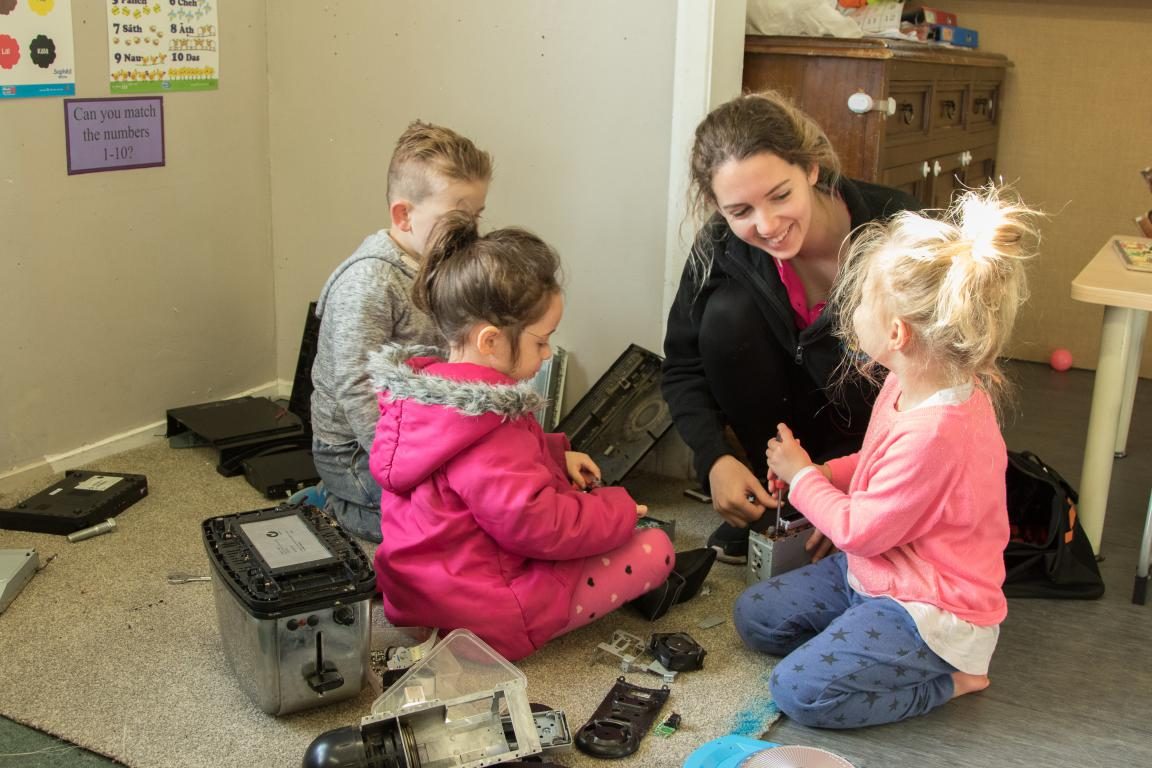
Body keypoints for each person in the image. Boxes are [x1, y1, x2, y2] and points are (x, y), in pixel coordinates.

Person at [735, 186, 1039, 728]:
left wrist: (803, 477)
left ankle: (953, 678)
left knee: (798, 692)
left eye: (860, 306)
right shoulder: (909, 381)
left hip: (928, 607)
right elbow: (879, 461)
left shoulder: (939, 432)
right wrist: (829, 472)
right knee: (755, 617)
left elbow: (860, 531)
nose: (848, 315)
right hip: (874, 574)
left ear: (897, 333)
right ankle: (865, 640)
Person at [365, 211, 676, 661]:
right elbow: (539, 526)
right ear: (490, 341)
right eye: (541, 341)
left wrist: (556, 456)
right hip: (483, 617)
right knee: (654, 548)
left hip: (415, 599)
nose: (548, 353)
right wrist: (618, 510)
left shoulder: (430, 399)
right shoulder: (492, 423)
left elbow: (475, 476)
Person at [661, 90, 922, 564]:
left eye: (780, 195)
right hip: (783, 445)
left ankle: (849, 507)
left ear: (812, 169)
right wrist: (714, 459)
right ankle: (776, 501)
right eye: (740, 212)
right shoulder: (720, 244)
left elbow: (947, 385)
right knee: (725, 315)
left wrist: (855, 489)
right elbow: (682, 367)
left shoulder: (900, 227)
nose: (767, 225)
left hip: (874, 449)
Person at [308, 121, 492, 541]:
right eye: (458, 218)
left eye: (477, 216)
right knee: (450, 526)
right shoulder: (369, 283)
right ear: (404, 215)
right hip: (356, 450)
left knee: (494, 498)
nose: (472, 232)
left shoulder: (441, 265)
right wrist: (399, 465)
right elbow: (357, 388)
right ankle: (337, 505)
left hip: (420, 432)